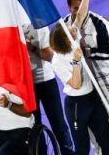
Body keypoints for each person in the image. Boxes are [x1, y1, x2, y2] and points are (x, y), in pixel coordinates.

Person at [61, 0, 109, 141]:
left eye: (81, 7)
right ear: (68, 7)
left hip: (102, 79)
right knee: (92, 126)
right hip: (82, 82)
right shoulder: (65, 25)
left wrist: (87, 53)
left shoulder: (100, 23)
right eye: (74, 8)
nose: (78, 11)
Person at [49, 23, 109, 155]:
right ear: (66, 39)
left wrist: (86, 0)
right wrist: (76, 62)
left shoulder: (75, 40)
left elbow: (80, 14)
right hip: (77, 106)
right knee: (82, 148)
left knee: (106, 142)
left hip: (93, 99)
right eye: (71, 30)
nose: (74, 28)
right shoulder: (57, 61)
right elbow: (76, 84)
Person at [23, 19, 76, 155]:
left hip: (45, 80)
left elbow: (50, 55)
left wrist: (31, 48)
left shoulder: (39, 25)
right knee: (35, 126)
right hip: (26, 84)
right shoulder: (12, 27)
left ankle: (68, 153)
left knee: (58, 123)